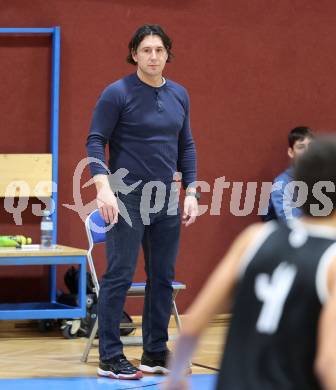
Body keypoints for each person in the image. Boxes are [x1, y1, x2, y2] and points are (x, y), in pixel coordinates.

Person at [164, 136, 336, 389]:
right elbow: (328, 363)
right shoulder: (331, 261)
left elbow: (192, 325)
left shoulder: (254, 238)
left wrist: (175, 377)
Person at [86, 24, 199, 380]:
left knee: (162, 277)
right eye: (146, 50)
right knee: (119, 275)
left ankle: (154, 353)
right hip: (125, 196)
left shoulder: (179, 94)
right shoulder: (117, 93)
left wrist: (191, 191)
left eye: (159, 50)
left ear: (167, 55)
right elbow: (94, 142)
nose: (153, 56)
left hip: (165, 197)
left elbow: (187, 147)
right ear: (134, 53)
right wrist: (103, 188)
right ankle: (110, 358)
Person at [264, 126, 314, 222]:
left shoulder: (326, 177)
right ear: (291, 152)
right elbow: (292, 223)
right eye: (301, 147)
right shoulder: (281, 184)